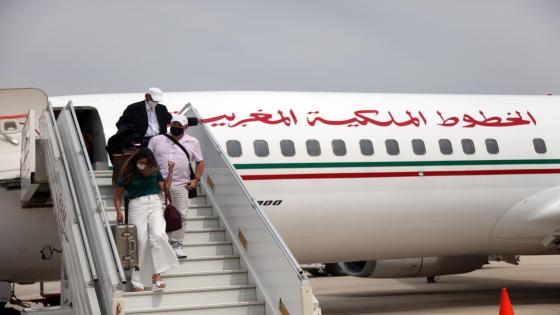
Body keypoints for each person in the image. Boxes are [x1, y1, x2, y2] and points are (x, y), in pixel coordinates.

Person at [114, 148, 179, 291]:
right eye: (139, 162)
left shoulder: (154, 171)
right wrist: (119, 211)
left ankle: (157, 275)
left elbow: (165, 188)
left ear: (150, 162)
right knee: (140, 243)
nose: (141, 164)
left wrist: (170, 171)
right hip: (137, 205)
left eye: (144, 162)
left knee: (158, 236)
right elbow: (118, 196)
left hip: (155, 203)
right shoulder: (128, 173)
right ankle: (137, 282)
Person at [148, 114, 205, 258]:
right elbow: (148, 159)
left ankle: (176, 243)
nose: (176, 127)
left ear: (185, 127)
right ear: (170, 124)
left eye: (179, 125)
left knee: (181, 214)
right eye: (174, 125)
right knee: (157, 214)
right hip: (159, 184)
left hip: (181, 184)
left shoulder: (192, 142)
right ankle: (160, 243)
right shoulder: (156, 140)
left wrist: (196, 180)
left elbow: (200, 162)